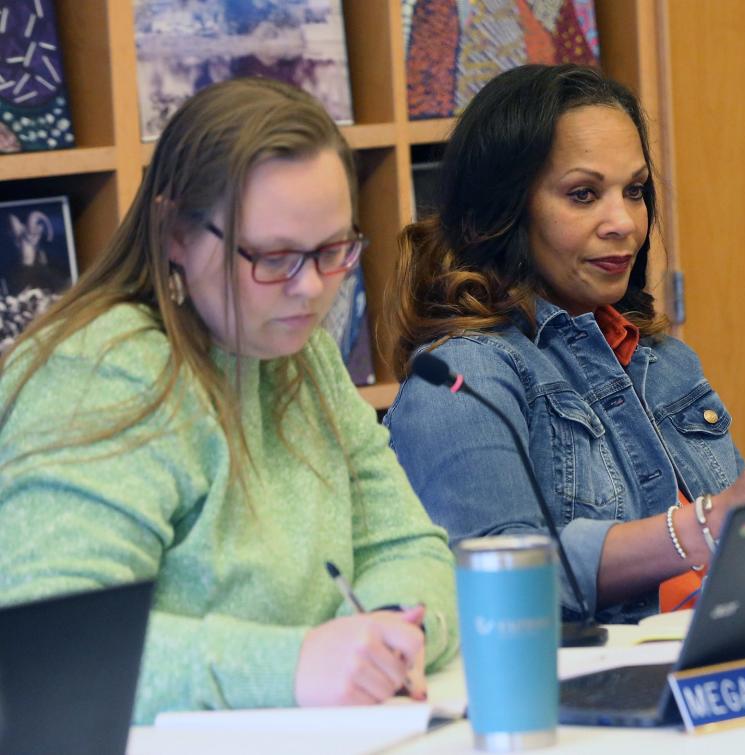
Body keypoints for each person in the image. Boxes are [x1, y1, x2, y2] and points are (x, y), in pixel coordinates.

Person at [0, 78, 457, 723]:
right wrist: (295, 665)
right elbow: (52, 657)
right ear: (176, 233)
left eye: (333, 251)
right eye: (273, 258)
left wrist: (390, 628)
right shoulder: (102, 371)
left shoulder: (303, 352)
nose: (312, 291)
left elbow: (407, 544)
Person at [384, 64, 745, 625]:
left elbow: (727, 549)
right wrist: (700, 526)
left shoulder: (667, 361)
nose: (625, 223)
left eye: (634, 191)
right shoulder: (465, 378)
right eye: (583, 194)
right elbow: (496, 591)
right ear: (504, 211)